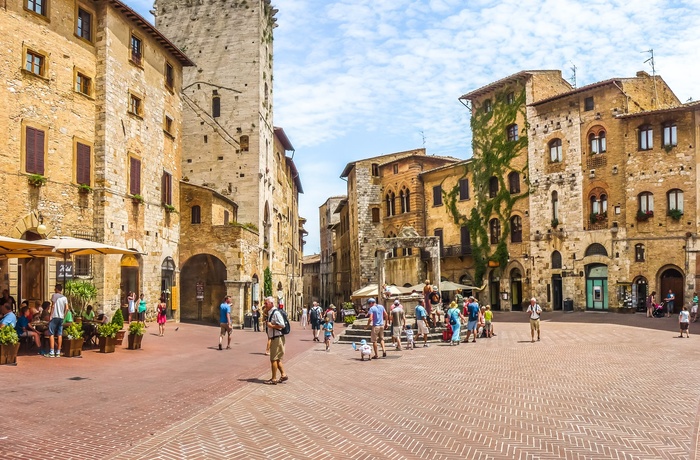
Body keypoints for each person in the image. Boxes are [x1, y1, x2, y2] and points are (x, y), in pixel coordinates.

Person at [264, 296, 288, 384]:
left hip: (277, 338)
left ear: (271, 303)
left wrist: (271, 326)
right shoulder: (271, 312)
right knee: (277, 359)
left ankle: (273, 379)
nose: (265, 305)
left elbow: (282, 325)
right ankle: (283, 374)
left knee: (273, 359)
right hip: (275, 337)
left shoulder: (275, 313)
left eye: (266, 303)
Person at [46, 284, 68, 358]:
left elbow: (52, 306)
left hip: (54, 316)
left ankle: (52, 352)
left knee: (51, 333)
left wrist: (50, 316)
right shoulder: (65, 298)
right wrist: (64, 316)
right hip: (61, 317)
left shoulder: (54, 296)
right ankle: (58, 352)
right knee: (59, 334)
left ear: (56, 289)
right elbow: (67, 308)